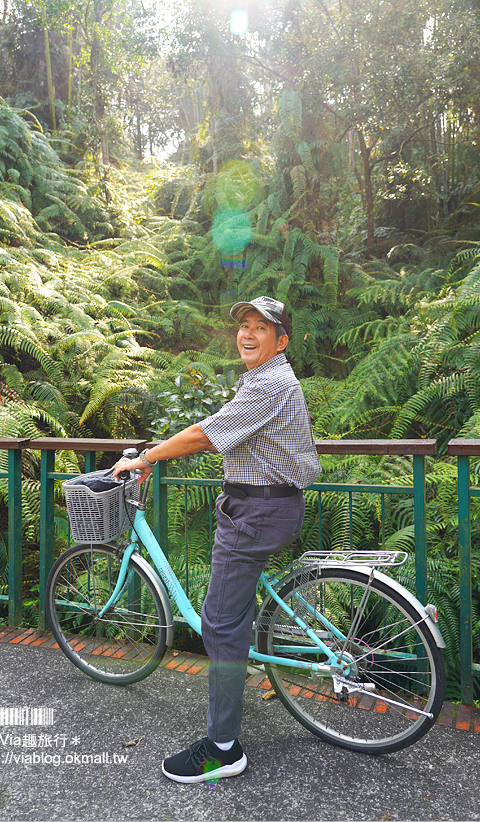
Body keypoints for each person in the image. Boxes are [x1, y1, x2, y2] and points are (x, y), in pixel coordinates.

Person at [113, 296, 321, 783]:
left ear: (281, 341)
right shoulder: (261, 379)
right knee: (231, 612)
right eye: (243, 326)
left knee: (222, 626)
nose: (247, 335)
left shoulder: (270, 384)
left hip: (256, 512)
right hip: (260, 507)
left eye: (261, 329)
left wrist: (146, 458)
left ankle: (223, 749)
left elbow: (207, 435)